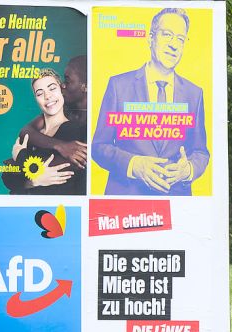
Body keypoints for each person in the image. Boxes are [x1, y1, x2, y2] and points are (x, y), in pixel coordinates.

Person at [91, 7, 209, 196]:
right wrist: (134, 164)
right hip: (125, 202)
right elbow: (99, 147)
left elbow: (201, 152)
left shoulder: (194, 93)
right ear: (150, 38)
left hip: (176, 202)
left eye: (180, 39)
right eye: (167, 34)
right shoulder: (118, 85)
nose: (174, 45)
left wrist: (187, 171)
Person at [1, 69, 85, 195]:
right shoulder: (32, 134)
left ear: (61, 90)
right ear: (36, 99)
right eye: (40, 93)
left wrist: (19, 155)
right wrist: (33, 181)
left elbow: (57, 175)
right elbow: (7, 178)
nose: (47, 96)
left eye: (52, 88)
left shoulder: (73, 130)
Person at [17, 56, 88, 170]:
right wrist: (60, 146)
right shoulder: (64, 109)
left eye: (68, 81)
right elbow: (26, 131)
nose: (63, 85)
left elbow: (70, 164)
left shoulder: (90, 125)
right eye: (39, 93)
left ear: (86, 87)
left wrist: (20, 159)